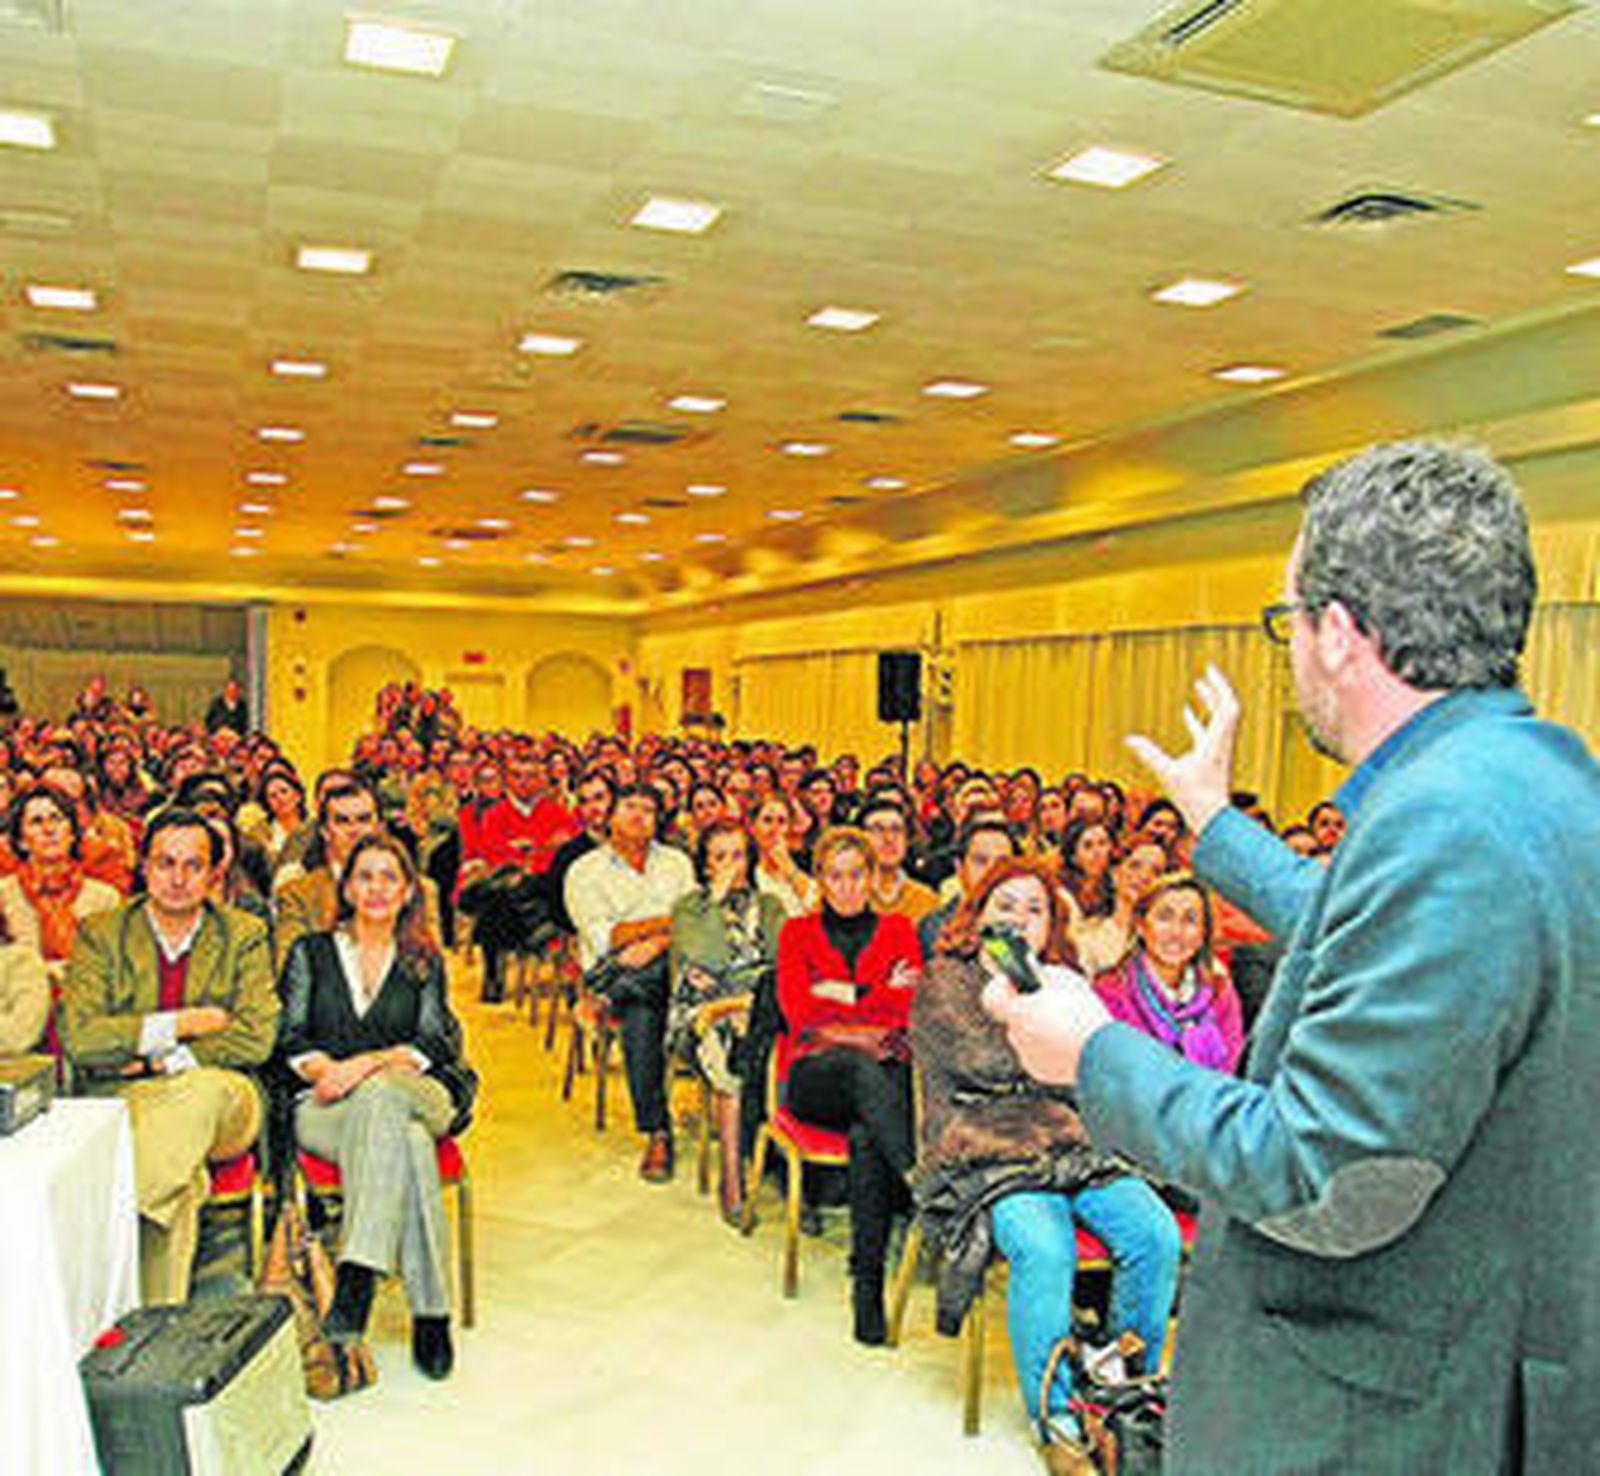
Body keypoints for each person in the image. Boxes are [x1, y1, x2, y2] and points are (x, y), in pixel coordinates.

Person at [985, 440, 1600, 1472]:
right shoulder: (1532, 779)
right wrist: (1213, 824)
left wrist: (1094, 1051)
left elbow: (1325, 1174)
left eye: (1288, 622)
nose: (1291, 650)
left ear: (1340, 634)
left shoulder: (1444, 824)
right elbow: (1368, 933)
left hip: (1382, 1416)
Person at [913, 857, 1181, 1474]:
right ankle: (1055, 1414)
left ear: (1052, 923)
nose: (1019, 919)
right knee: (1046, 1247)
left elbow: (1088, 1060)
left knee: (1155, 1235)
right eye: (1005, 905)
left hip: (1068, 1138)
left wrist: (1056, 1015)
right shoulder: (944, 980)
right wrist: (1045, 1014)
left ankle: (1119, 1389)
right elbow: (992, 1063)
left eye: (1036, 909)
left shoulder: (1061, 979)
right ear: (978, 914)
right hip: (984, 1144)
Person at [276, 832, 476, 1380]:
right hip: (325, 1105)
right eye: (365, 875)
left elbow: (434, 1043)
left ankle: (358, 1269)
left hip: (415, 1092)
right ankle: (431, 1312)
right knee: (406, 1141)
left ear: (410, 889)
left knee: (385, 1095)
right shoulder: (310, 953)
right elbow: (290, 1037)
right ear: (347, 885)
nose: (377, 888)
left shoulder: (423, 960)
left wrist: (362, 1066)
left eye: (390, 877)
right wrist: (325, 1071)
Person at [61, 808, 279, 1304]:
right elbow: (79, 1036)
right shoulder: (102, 932)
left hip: (225, 1098)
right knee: (180, 1187)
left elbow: (256, 1037)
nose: (178, 878)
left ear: (213, 872)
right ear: (143, 866)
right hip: (123, 1099)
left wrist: (160, 1059)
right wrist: (182, 1024)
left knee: (196, 1091)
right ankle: (149, 1327)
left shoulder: (243, 934)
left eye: (193, 865)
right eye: (165, 863)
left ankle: (106, 1230)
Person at [777, 827, 923, 1345]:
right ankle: (924, 1183)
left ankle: (868, 1288)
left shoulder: (901, 930)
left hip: (879, 1080)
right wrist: (873, 1002)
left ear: (872, 876)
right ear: (819, 880)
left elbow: (908, 1012)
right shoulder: (795, 932)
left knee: (867, 1136)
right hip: (814, 1078)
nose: (846, 886)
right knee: (865, 1073)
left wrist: (838, 998)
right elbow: (800, 1013)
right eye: (835, 876)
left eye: (856, 874)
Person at [565, 784, 695, 1182]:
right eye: (628, 807)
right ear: (609, 816)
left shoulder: (677, 863)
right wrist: (663, 924)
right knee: (643, 1010)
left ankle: (606, 999)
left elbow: (693, 919)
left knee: (645, 988)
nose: (638, 815)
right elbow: (607, 936)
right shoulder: (585, 870)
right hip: (613, 967)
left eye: (648, 809)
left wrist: (656, 942)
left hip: (672, 966)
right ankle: (658, 1132)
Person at [668, 818, 785, 1224]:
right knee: (730, 1056)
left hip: (758, 1007)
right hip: (701, 1014)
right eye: (719, 857)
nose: (730, 866)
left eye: (738, 855)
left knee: (783, 1048)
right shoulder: (689, 908)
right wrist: (714, 904)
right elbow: (706, 960)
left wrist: (747, 1002)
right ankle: (732, 1176)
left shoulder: (769, 906)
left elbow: (780, 967)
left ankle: (792, 1178)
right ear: (704, 865)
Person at [1092, 872, 1243, 1074]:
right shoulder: (1110, 992)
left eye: (1190, 920)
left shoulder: (1220, 991)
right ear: (1141, 926)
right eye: (1164, 918)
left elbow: (1230, 1069)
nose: (1176, 933)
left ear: (1202, 934)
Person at [751, 793, 818, 918]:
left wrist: (789, 867)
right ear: (753, 827)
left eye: (781, 822)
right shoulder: (746, 869)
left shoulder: (807, 863)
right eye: (767, 820)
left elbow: (821, 910)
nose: (774, 828)